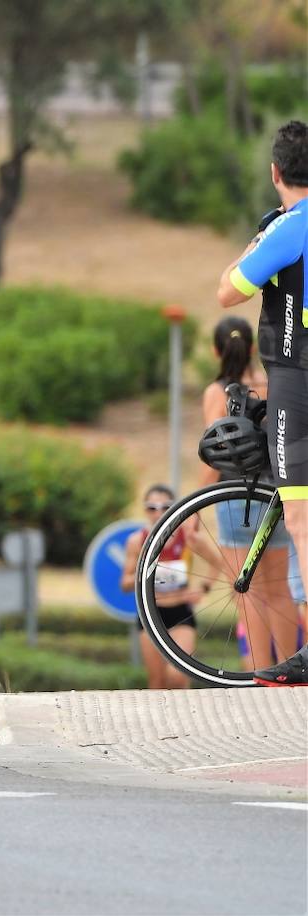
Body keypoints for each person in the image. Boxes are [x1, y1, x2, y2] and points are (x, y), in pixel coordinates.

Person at [215, 119, 308, 686]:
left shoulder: (290, 226)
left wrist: (254, 243)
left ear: (276, 172)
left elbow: (229, 289)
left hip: (297, 377)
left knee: (298, 511)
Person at [198, 316, 301, 670]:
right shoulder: (273, 384)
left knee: (247, 592)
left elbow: (216, 454)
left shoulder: (216, 392)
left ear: (215, 350)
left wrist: (195, 505)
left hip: (232, 497)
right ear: (254, 348)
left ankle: (258, 672)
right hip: (275, 495)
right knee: (278, 589)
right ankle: (289, 667)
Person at [119, 485, 202, 688]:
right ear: (145, 511)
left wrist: (204, 588)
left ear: (173, 509)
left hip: (181, 613)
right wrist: (147, 574)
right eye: (152, 507)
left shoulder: (186, 537)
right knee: (157, 682)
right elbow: (125, 584)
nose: (158, 513)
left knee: (179, 676)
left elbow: (217, 562)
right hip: (151, 613)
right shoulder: (136, 541)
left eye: (165, 507)